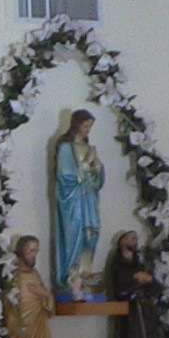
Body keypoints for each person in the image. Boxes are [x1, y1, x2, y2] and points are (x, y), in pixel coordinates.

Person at [51, 110, 105, 301]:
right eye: (85, 126)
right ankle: (72, 276)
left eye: (90, 126)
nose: (87, 130)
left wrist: (97, 168)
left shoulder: (88, 147)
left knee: (92, 234)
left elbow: (98, 179)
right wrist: (88, 163)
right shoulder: (66, 148)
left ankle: (86, 272)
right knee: (75, 236)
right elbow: (65, 176)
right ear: (76, 125)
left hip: (89, 199)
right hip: (73, 202)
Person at [104, 229, 166, 338]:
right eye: (131, 238)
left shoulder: (140, 265)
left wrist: (149, 280)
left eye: (135, 238)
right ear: (122, 242)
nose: (135, 241)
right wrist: (136, 280)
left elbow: (157, 289)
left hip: (145, 312)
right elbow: (118, 290)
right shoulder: (117, 266)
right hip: (129, 315)